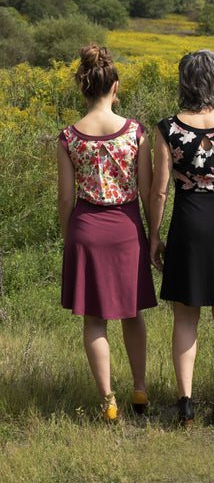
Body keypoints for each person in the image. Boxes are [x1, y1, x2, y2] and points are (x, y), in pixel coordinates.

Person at [150, 49, 214, 427]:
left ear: (184, 82)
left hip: (188, 223)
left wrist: (153, 235)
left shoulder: (168, 128)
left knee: (185, 316)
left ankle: (186, 403)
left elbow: (159, 190)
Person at [57, 43, 157, 422]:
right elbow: (148, 191)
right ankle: (140, 389)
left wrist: (70, 236)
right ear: (116, 87)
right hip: (127, 227)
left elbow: (66, 199)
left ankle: (108, 401)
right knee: (132, 314)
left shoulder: (69, 137)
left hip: (86, 226)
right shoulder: (135, 132)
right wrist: (153, 235)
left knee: (94, 320)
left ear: (83, 88)